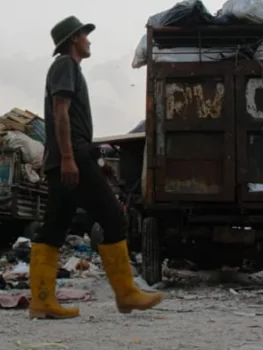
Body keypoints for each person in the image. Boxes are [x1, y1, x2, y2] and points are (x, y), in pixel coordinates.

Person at [29, 16, 164, 319]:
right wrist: (69, 158)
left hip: (72, 154)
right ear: (74, 38)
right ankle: (126, 294)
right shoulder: (65, 65)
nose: (89, 40)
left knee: (55, 226)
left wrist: (90, 160)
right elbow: (60, 113)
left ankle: (41, 302)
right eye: (85, 35)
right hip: (71, 155)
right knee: (113, 216)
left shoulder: (69, 68)